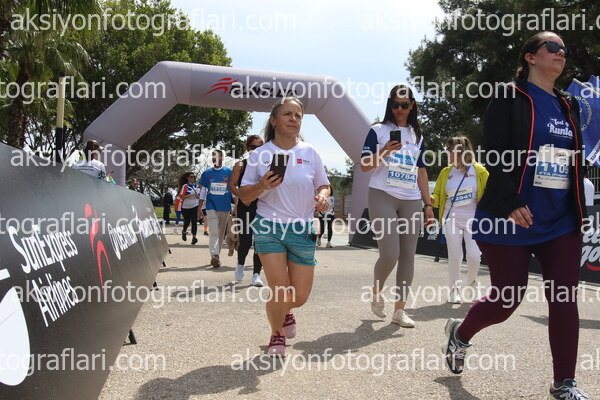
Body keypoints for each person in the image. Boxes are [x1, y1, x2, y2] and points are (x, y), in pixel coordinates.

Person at [443, 32, 591, 399]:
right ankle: (460, 334)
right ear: (530, 57)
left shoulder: (569, 104)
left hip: (561, 219)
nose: (561, 53)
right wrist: (510, 201)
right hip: (508, 217)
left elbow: (575, 160)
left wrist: (579, 209)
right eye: (552, 47)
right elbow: (494, 153)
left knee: (564, 298)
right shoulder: (509, 96)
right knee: (505, 301)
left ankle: (564, 383)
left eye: (564, 50)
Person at [238, 97, 330, 357]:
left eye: (298, 115)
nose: (293, 119)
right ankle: (276, 333)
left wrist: (323, 196)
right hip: (269, 226)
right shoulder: (260, 155)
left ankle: (287, 310)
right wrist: (261, 186)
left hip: (302, 228)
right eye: (288, 114)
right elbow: (244, 196)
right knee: (279, 288)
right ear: (274, 120)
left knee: (299, 296)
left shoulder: (310, 152)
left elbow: (324, 184)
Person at [360, 85, 435, 328]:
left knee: (408, 256)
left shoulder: (417, 135)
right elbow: (364, 165)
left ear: (412, 105)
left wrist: (428, 204)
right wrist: (384, 151)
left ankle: (399, 311)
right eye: (395, 104)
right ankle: (376, 291)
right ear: (389, 105)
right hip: (382, 194)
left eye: (404, 105)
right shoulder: (378, 130)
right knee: (390, 254)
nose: (399, 109)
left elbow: (421, 171)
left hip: (411, 198)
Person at [432, 136, 489, 304]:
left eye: (449, 150)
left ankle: (472, 284)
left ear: (461, 151)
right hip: (451, 218)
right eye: (447, 150)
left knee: (474, 256)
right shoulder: (445, 172)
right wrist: (430, 199)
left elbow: (489, 194)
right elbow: (437, 194)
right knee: (455, 256)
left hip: (473, 220)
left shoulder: (480, 171)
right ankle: (454, 290)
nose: (447, 153)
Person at [229, 135, 265, 286]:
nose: (257, 150)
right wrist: (242, 197)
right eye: (254, 147)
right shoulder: (240, 165)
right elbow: (231, 185)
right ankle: (240, 264)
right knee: (246, 240)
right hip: (246, 205)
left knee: (260, 241)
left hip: (263, 205)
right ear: (248, 148)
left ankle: (256, 274)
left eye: (260, 147)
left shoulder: (266, 165)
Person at [199, 150, 234, 268]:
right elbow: (203, 192)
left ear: (222, 158)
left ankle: (216, 256)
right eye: (213, 156)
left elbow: (233, 189)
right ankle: (214, 255)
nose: (215, 158)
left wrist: (237, 204)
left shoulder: (229, 172)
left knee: (220, 233)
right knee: (214, 232)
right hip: (211, 206)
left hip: (224, 207)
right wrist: (199, 207)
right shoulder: (206, 173)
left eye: (217, 156)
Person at [178, 172, 201, 245]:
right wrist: (191, 195)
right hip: (186, 207)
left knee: (194, 222)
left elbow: (200, 196)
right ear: (187, 178)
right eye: (191, 177)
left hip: (195, 205)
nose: (193, 178)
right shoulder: (185, 186)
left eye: (194, 177)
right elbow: (181, 197)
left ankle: (194, 237)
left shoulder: (197, 186)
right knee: (187, 221)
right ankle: (184, 231)